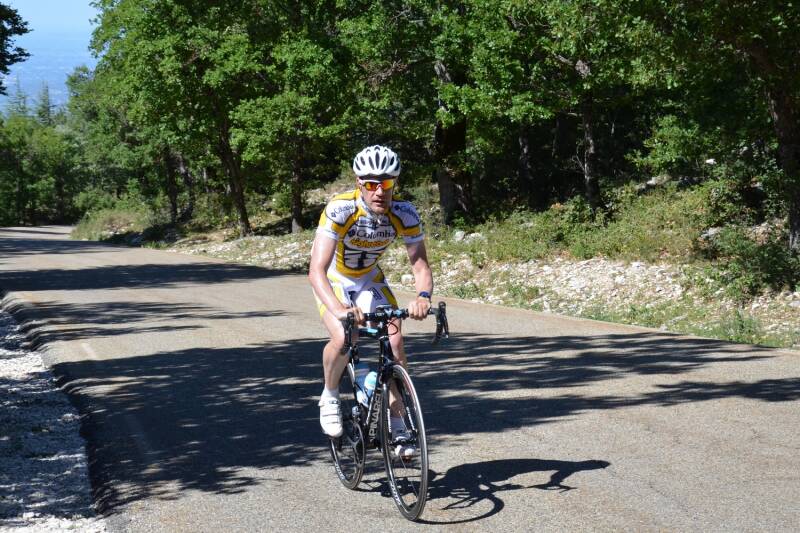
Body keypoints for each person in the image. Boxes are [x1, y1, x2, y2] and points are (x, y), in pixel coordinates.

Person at [308, 145, 433, 451]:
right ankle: (330, 395)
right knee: (343, 335)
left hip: (367, 277)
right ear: (359, 183)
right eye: (371, 184)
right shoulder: (341, 209)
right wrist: (339, 310)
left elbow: (420, 265)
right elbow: (316, 270)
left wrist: (423, 297)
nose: (380, 191)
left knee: (395, 342)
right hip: (335, 277)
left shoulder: (404, 213)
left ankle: (400, 424)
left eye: (386, 183)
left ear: (395, 184)